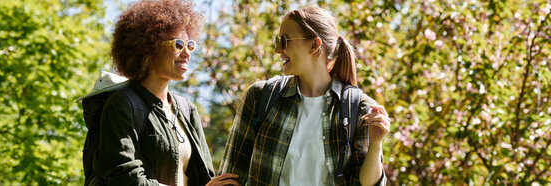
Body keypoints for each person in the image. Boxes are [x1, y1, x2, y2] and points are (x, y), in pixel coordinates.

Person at [219, 6, 390, 185]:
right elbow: (230, 177)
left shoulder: (358, 108)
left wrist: (376, 144)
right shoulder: (261, 96)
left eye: (284, 40)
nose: (278, 49)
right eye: (277, 41)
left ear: (315, 45)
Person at [95, 0, 239, 185]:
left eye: (191, 45)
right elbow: (124, 177)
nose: (187, 53)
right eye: (178, 44)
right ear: (148, 47)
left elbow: (203, 177)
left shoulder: (187, 109)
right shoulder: (122, 104)